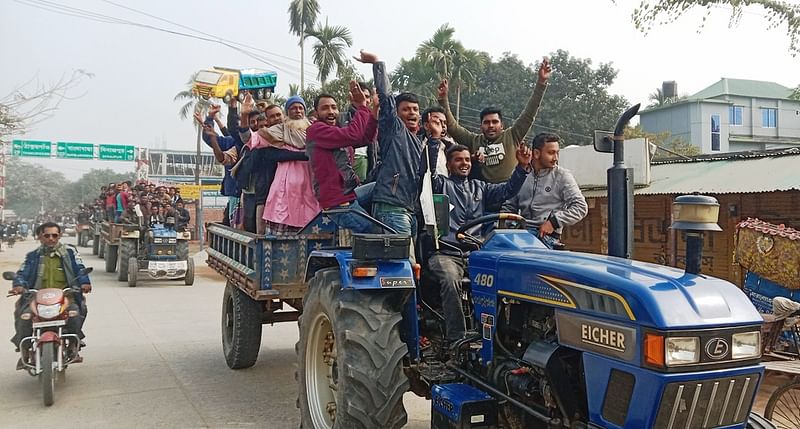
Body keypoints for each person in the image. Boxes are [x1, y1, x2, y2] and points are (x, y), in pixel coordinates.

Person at [425, 142, 532, 345]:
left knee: (504, 281)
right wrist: (433, 143)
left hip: (476, 253)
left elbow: (508, 190)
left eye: (466, 159)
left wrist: (521, 168)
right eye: (458, 160)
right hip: (446, 253)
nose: (464, 163)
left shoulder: (481, 187)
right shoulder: (441, 185)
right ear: (448, 164)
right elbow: (429, 176)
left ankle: (501, 335)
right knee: (450, 280)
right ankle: (457, 337)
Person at [437, 58, 551, 183]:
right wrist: (443, 99)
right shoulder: (473, 140)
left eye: (495, 122)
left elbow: (529, 113)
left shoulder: (512, 136)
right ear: (481, 126)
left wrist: (541, 83)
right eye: (486, 122)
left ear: (502, 125)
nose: (491, 125)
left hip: (511, 193)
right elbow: (452, 126)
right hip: (484, 195)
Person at [356, 50, 422, 237]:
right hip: (391, 207)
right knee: (402, 264)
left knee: (413, 265)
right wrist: (377, 63)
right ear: (396, 113)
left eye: (415, 109)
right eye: (406, 109)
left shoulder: (418, 141)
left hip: (409, 209)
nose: (411, 113)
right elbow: (386, 98)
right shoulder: (394, 128)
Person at [8, 222, 92, 356]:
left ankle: (73, 343)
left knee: (76, 313)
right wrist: (18, 285)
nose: (51, 238)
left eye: (54, 235)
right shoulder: (33, 256)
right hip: (37, 299)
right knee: (24, 316)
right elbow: (22, 273)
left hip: (65, 297)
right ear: (40, 237)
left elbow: (79, 269)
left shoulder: (70, 253)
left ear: (60, 236)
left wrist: (84, 283)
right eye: (47, 235)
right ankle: (24, 347)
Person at [306, 81, 378, 233]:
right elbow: (354, 134)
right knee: (374, 231)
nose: (331, 111)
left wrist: (374, 116)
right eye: (325, 108)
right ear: (316, 113)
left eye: (334, 107)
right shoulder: (316, 130)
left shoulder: (337, 132)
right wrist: (362, 107)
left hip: (350, 192)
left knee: (382, 186)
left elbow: (364, 138)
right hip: (339, 201)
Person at [501, 133, 588, 248]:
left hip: (547, 239)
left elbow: (581, 207)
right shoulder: (521, 174)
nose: (555, 158)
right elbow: (509, 206)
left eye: (557, 153)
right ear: (536, 153)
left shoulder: (562, 176)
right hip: (521, 236)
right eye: (551, 153)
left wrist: (553, 222)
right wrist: (509, 228)